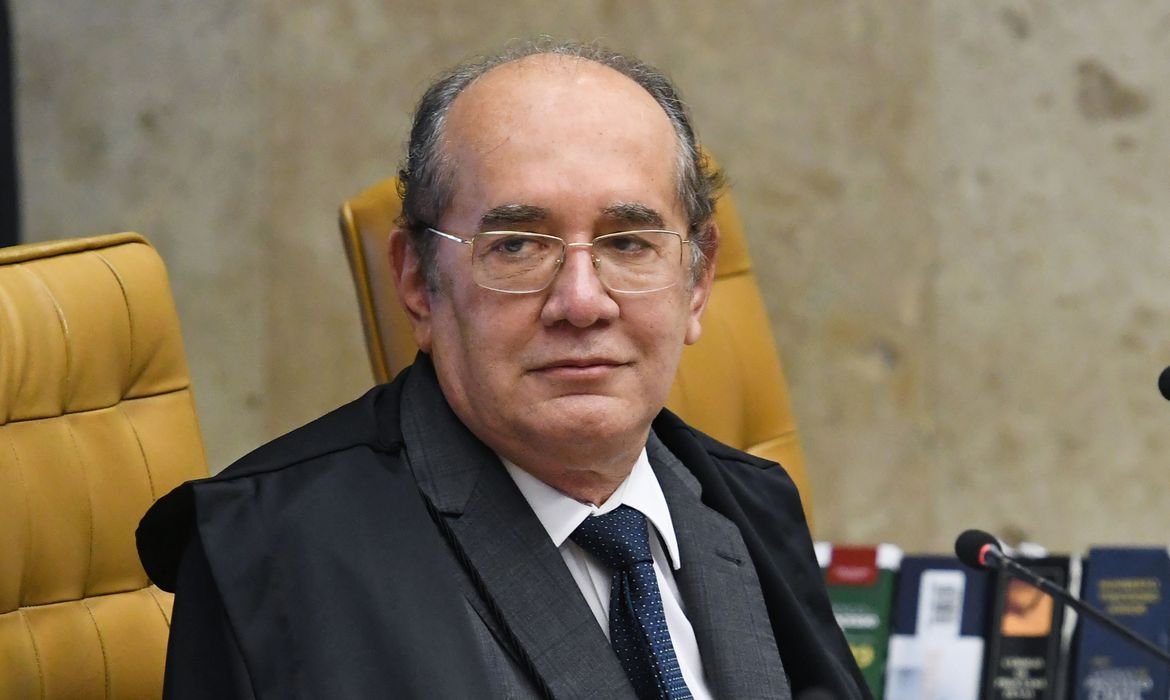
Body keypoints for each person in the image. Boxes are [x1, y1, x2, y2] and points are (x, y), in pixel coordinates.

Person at [137, 40, 868, 700]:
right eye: (517, 245)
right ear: (417, 280)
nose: (582, 302)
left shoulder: (748, 505)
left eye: (628, 243)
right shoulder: (268, 554)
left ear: (697, 282)